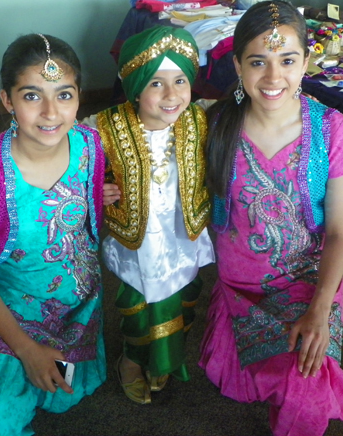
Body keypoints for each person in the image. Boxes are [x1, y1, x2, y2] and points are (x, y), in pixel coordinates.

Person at [198, 2, 343, 435]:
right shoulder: (213, 126)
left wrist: (321, 310)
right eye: (257, 62)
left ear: (306, 61)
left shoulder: (333, 130)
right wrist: (109, 187)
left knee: (305, 387)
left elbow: (341, 232)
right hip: (239, 284)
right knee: (272, 377)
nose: (273, 78)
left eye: (287, 60)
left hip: (309, 280)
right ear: (236, 65)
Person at [0, 33, 106, 436]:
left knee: (64, 395)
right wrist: (25, 349)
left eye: (64, 95)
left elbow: (84, 221)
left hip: (78, 309)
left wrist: (95, 196)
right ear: (7, 100)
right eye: (32, 96)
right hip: (14, 314)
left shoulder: (89, 144)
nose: (52, 112)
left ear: (79, 96)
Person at [83, 25, 215, 404]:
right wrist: (97, 187)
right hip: (138, 239)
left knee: (183, 297)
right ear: (136, 87)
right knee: (139, 307)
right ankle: (131, 360)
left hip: (181, 233)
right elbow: (74, 169)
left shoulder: (201, 119)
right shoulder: (103, 127)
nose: (172, 95)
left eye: (179, 81)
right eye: (156, 83)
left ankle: (164, 362)